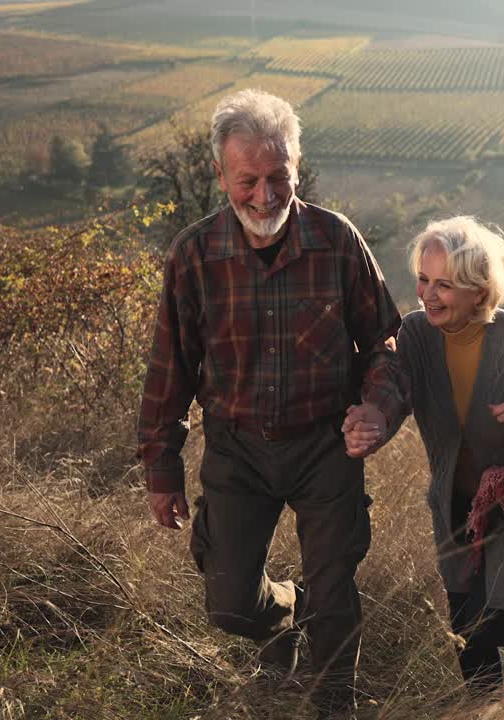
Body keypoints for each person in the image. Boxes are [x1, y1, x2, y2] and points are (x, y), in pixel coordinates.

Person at [136, 88, 408, 717]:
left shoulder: (336, 241)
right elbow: (168, 370)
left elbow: (386, 343)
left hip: (325, 445)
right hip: (237, 448)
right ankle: (286, 607)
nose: (265, 197)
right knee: (230, 605)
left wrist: (378, 409)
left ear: (296, 166)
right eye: (247, 181)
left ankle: (335, 700)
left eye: (278, 178)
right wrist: (162, 469)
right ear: (219, 174)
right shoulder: (194, 256)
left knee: (337, 591)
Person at [346, 215, 504, 696]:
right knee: (467, 634)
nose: (428, 295)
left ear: (478, 289)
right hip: (452, 503)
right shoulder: (413, 335)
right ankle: (486, 708)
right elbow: (394, 398)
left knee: (490, 620)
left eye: (445, 285)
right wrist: (373, 424)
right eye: (424, 280)